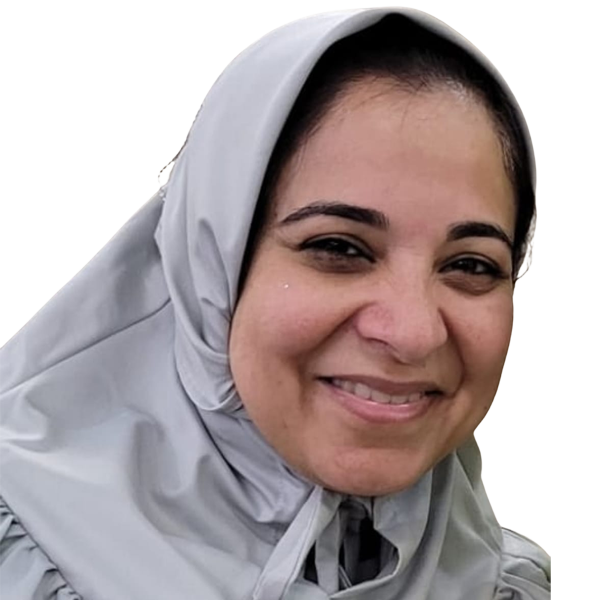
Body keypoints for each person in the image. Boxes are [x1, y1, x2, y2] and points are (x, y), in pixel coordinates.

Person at [0, 7, 550, 599]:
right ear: (211, 266)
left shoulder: (503, 583)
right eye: (338, 248)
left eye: (471, 265)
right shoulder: (25, 561)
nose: (413, 333)